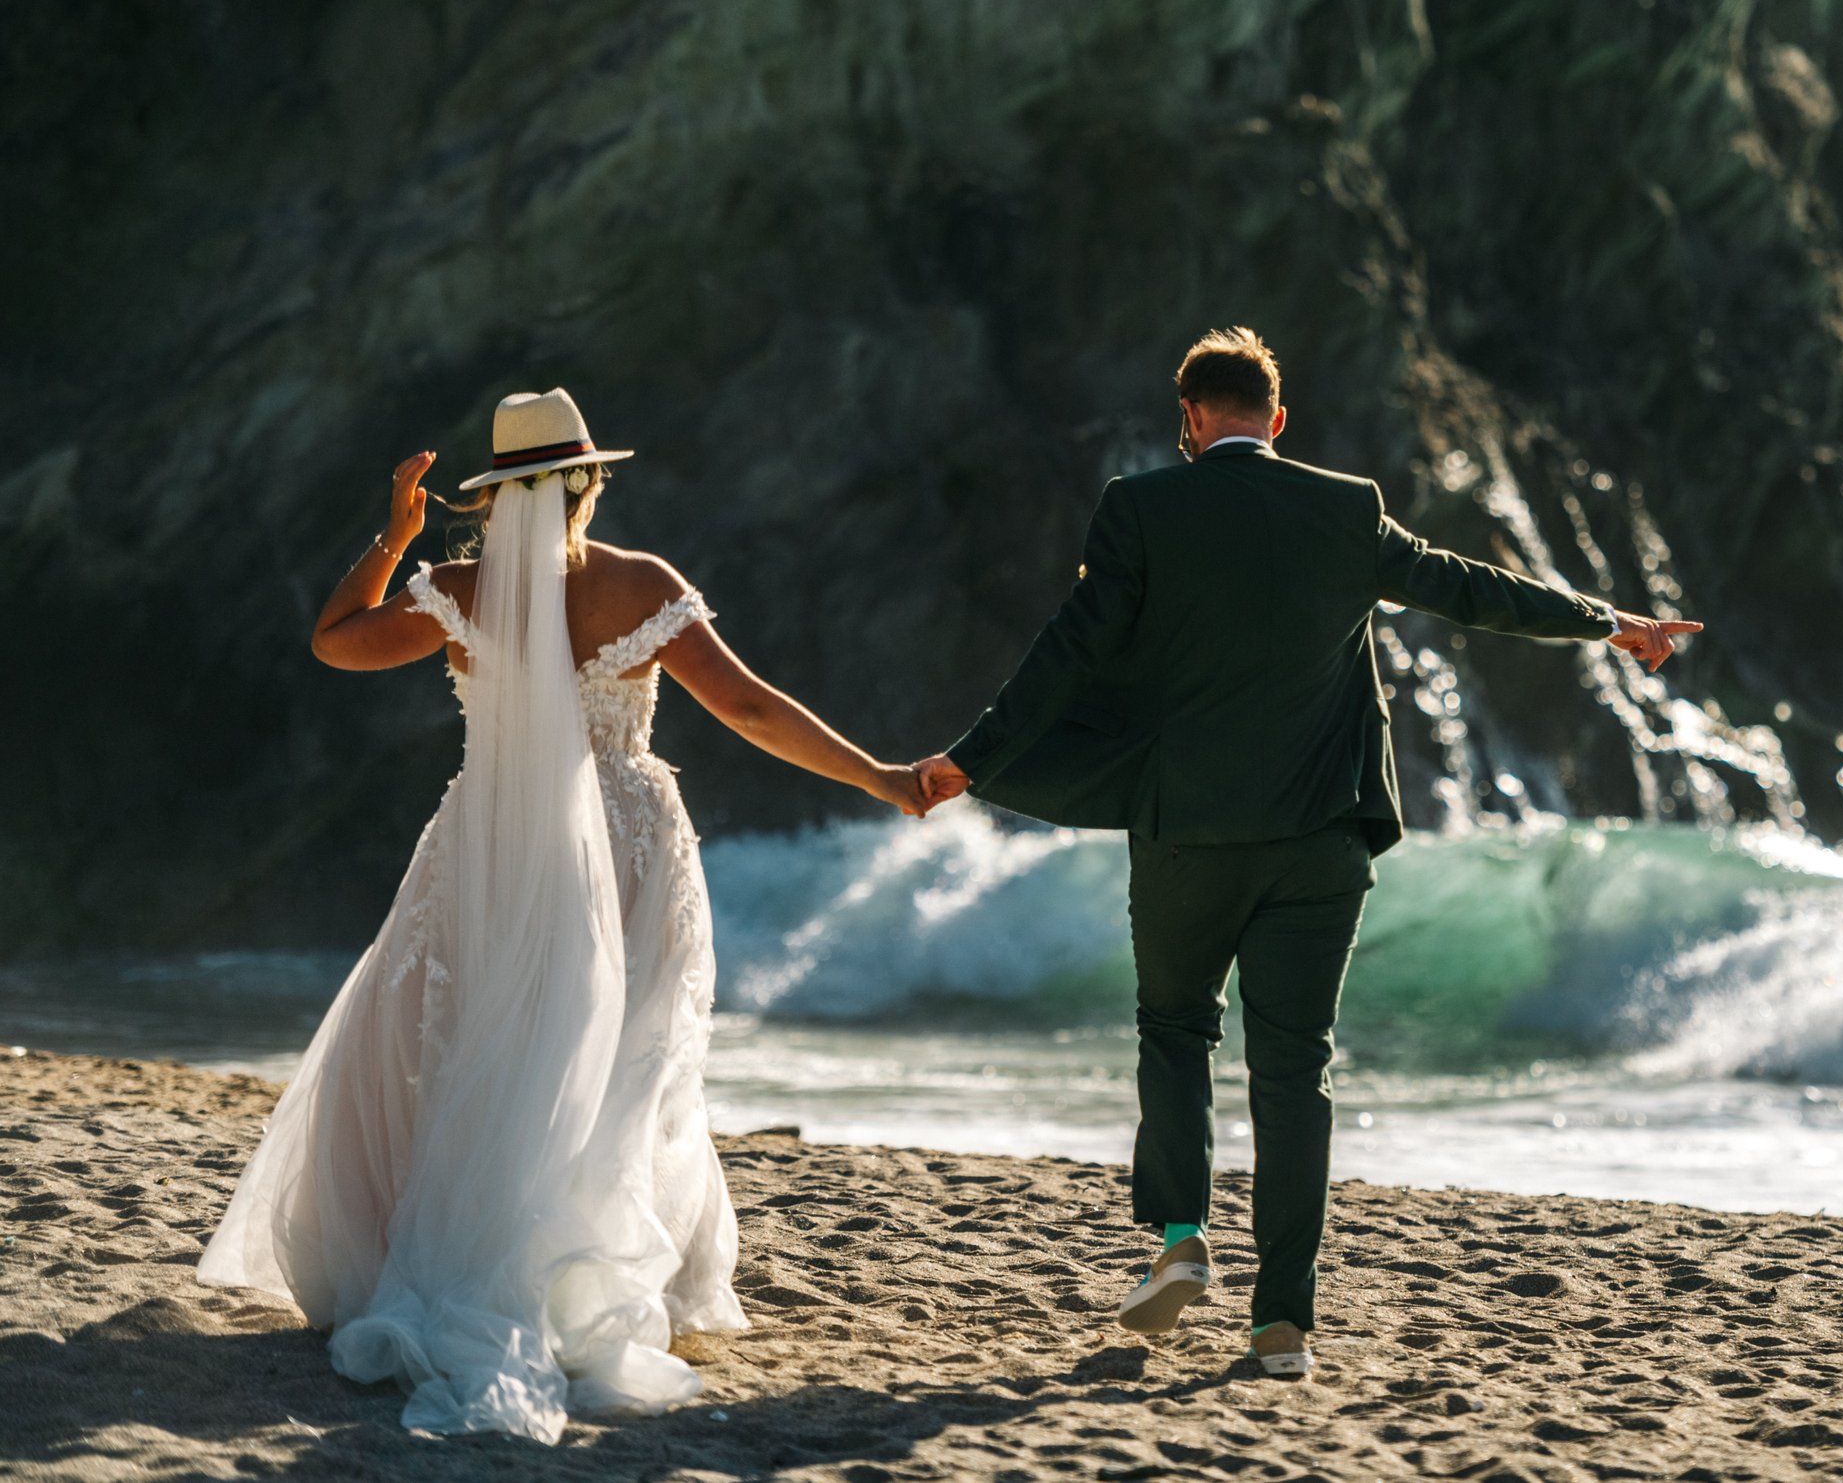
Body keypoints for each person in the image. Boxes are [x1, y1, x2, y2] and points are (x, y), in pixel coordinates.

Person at [912, 329, 1697, 1377]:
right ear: (1278, 420)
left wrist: (970, 760)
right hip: (1323, 837)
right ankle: (1282, 1322)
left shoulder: (1140, 507)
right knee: (1295, 1070)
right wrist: (1613, 622)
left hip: (1188, 829)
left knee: (1175, 1028)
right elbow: (1472, 588)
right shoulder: (1346, 505)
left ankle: (1180, 1241)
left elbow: (1070, 647)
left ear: (1189, 420)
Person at [198, 389, 928, 1442]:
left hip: (494, 836)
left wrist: (394, 532)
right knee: (616, 1058)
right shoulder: (642, 584)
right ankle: (574, 1278)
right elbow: (754, 707)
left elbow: (335, 640)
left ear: (493, 497)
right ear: (588, 478)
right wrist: (881, 775)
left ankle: (460, 1260)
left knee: (466, 1043)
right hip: (626, 843)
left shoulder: (457, 587)